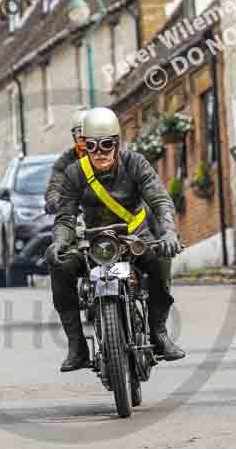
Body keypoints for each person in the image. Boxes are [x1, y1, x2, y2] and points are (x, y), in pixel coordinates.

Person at [46, 107, 185, 372]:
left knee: (160, 260)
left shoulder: (135, 163)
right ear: (83, 145)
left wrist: (167, 231)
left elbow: (159, 199)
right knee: (59, 266)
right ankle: (76, 346)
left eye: (106, 144)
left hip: (135, 236)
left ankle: (159, 332)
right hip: (92, 240)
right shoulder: (74, 173)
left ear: (117, 143)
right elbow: (65, 218)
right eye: (92, 145)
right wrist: (59, 242)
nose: (99, 151)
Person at [44, 108, 88, 214]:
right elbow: (56, 184)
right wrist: (54, 200)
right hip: (80, 214)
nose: (83, 138)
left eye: (87, 134)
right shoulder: (65, 161)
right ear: (74, 136)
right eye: (79, 133)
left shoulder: (108, 154)